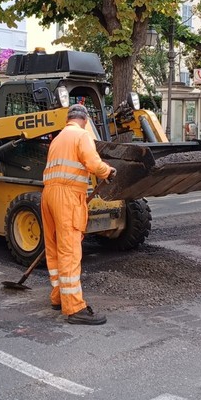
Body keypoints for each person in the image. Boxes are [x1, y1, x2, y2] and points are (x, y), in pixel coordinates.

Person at [41, 104, 116, 325]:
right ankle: (74, 308)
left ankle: (58, 297)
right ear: (84, 120)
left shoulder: (57, 139)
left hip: (49, 194)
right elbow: (92, 163)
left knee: (53, 248)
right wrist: (108, 171)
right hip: (67, 196)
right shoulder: (81, 135)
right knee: (70, 250)